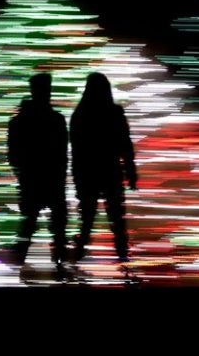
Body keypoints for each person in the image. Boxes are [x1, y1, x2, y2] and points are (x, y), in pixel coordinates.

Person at [70, 72, 137, 263]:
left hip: (87, 173)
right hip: (111, 172)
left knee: (86, 220)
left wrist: (76, 176)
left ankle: (77, 256)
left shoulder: (80, 114)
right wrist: (130, 170)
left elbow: (77, 150)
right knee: (116, 219)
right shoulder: (115, 112)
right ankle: (122, 255)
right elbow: (125, 143)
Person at [7, 73, 68, 267]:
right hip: (50, 177)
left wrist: (21, 172)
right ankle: (59, 259)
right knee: (55, 221)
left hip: (31, 177)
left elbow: (13, 152)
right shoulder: (56, 119)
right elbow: (61, 151)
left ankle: (20, 258)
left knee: (29, 219)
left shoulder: (20, 120)